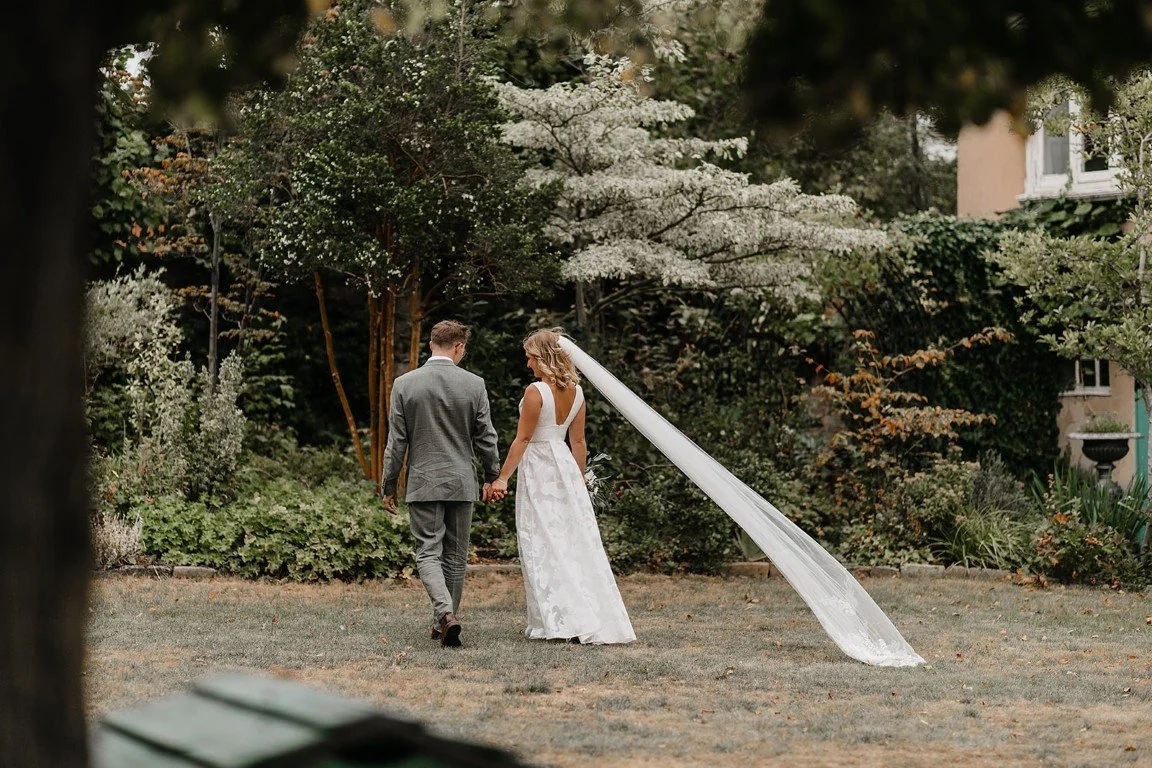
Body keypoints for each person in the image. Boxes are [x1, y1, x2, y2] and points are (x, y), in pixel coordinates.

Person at [489, 329, 635, 645]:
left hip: (540, 466)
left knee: (541, 539)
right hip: (566, 468)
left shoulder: (535, 391)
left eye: (530, 356)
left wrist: (503, 477)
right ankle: (573, 614)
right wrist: (578, 479)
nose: (527, 363)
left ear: (543, 358)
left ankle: (558, 620)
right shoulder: (577, 392)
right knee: (570, 540)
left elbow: (523, 438)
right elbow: (578, 441)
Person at [381, 320, 503, 648]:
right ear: (458, 347)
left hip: (422, 482)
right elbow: (486, 437)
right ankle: (446, 617)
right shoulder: (474, 384)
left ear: (432, 343)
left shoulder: (405, 384)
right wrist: (494, 475)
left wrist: (388, 483)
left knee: (427, 553)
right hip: (462, 482)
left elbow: (397, 441)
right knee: (455, 555)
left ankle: (445, 615)